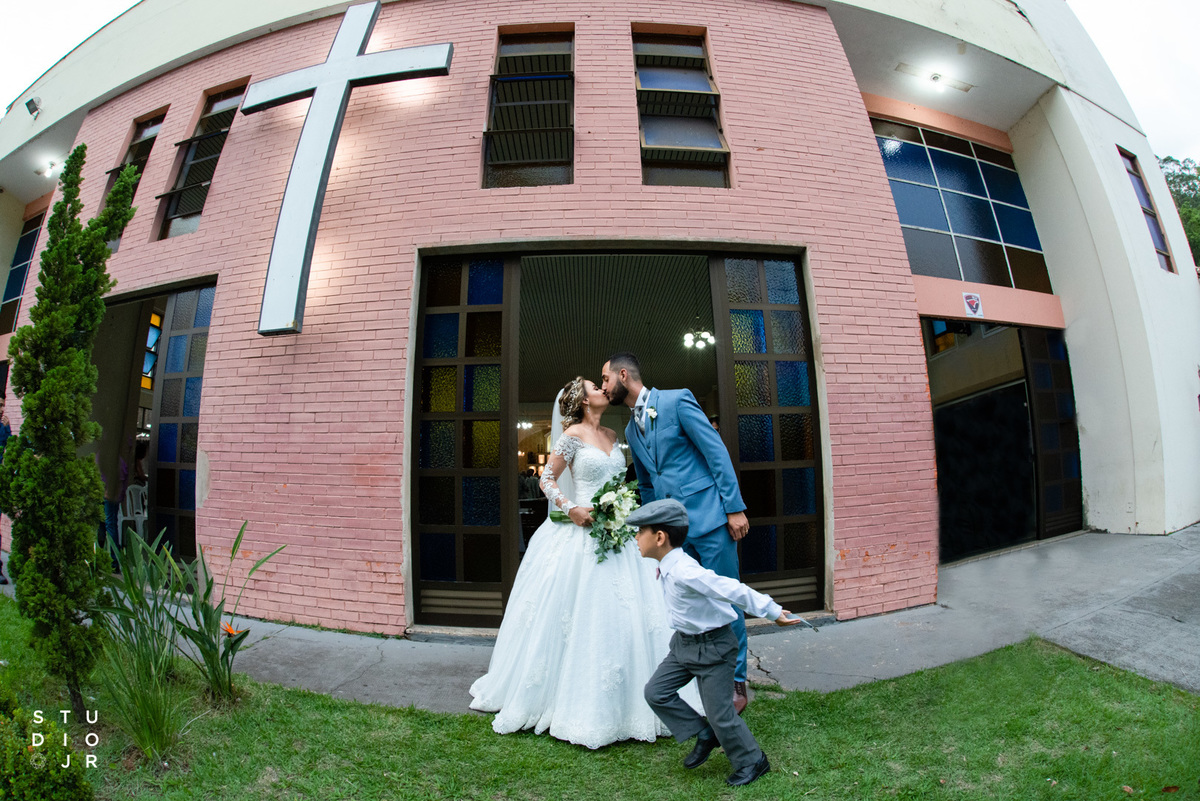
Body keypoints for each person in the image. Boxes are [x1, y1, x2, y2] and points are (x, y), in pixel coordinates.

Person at [469, 377, 698, 748]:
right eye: (595, 386)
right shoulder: (572, 435)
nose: (603, 389)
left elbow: (619, 482)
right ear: (582, 399)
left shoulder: (612, 434)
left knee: (631, 612)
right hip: (582, 533)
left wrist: (622, 506)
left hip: (618, 532)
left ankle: (642, 697)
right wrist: (571, 507)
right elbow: (547, 479)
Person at [601, 352, 754, 714]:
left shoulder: (677, 400)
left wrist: (734, 508)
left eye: (605, 379)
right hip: (675, 537)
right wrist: (656, 534)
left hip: (710, 519)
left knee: (725, 597)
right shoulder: (630, 431)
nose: (604, 386)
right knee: (691, 603)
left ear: (623, 375)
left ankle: (737, 678)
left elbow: (715, 452)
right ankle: (708, 675)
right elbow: (648, 484)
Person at [631, 498, 803, 787]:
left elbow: (731, 588)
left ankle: (753, 761)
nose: (636, 537)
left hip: (714, 648)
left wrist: (772, 611)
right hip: (684, 645)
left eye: (640, 532)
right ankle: (704, 733)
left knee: (720, 714)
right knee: (656, 692)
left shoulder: (686, 571)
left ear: (660, 538)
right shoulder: (666, 565)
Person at [0, 395, 9, 586]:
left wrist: (7, 429)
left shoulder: (3, 426)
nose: (1, 409)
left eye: (3, 405)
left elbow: (5, 448)